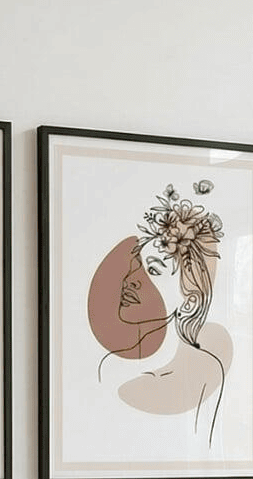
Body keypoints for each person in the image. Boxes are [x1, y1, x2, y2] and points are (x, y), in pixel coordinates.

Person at [87, 182, 233, 445]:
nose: (131, 280)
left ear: (189, 297)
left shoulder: (205, 372)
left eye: (153, 270)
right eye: (136, 266)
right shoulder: (107, 366)